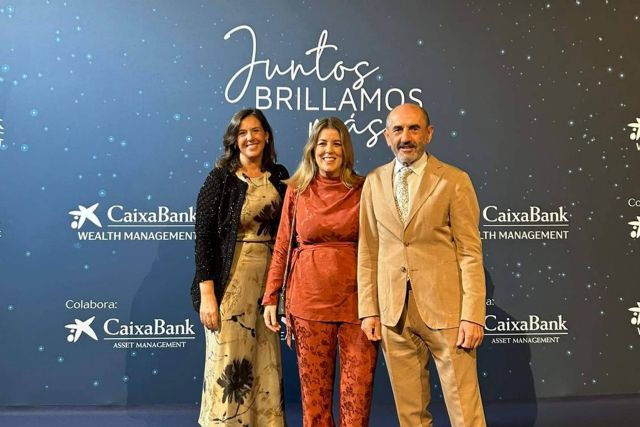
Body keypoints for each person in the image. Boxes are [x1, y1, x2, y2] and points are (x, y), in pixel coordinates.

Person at [358, 103, 487, 427]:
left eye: (414, 128)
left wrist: (472, 315)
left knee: (465, 412)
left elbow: (470, 252)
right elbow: (368, 250)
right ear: (387, 136)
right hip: (393, 313)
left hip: (447, 312)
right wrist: (369, 310)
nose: (406, 137)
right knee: (410, 415)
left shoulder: (454, 180)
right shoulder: (373, 181)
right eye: (398, 130)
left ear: (429, 134)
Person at [263, 117, 378, 427]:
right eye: (323, 143)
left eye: (337, 143)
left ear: (346, 149)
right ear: (312, 149)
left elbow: (380, 247)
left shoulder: (364, 188)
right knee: (315, 404)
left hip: (359, 305)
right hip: (308, 305)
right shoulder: (297, 190)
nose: (329, 150)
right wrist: (271, 296)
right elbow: (283, 244)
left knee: (357, 401)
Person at [192, 108, 288, 427]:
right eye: (243, 133)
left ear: (267, 135)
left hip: (268, 286)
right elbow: (204, 238)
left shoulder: (279, 176)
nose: (250, 138)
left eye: (256, 131)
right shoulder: (220, 179)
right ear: (234, 140)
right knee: (229, 360)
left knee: (265, 359)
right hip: (229, 284)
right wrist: (208, 295)